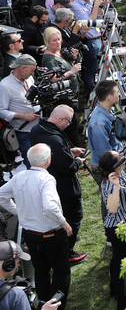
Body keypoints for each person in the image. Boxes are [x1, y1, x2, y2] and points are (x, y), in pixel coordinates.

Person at [0, 144, 79, 310]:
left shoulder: (20, 176)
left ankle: (43, 306)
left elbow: (1, 195)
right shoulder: (46, 179)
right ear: (48, 160)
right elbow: (50, 207)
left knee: (41, 271)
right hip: (51, 235)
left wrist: (19, 212)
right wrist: (65, 223)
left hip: (31, 235)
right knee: (61, 273)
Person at [29, 105, 86, 264]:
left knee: (56, 219)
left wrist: (68, 151)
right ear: (61, 119)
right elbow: (67, 167)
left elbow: (53, 154)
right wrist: (77, 162)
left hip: (46, 183)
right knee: (73, 216)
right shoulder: (54, 139)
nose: (69, 125)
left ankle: (64, 241)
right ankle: (67, 252)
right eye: (68, 121)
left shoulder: (37, 129)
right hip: (64, 188)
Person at [95, 150, 126, 310]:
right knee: (122, 263)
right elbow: (112, 208)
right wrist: (115, 187)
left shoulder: (122, 174)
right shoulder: (110, 184)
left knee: (117, 258)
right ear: (115, 165)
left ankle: (114, 289)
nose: (122, 156)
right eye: (119, 157)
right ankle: (121, 301)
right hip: (119, 228)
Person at [0, 56, 41, 167]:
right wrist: (23, 116)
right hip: (24, 133)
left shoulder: (29, 78)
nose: (33, 73)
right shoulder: (5, 85)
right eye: (32, 70)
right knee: (33, 166)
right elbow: (1, 111)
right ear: (23, 68)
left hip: (38, 127)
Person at [87, 80, 126, 166]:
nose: (119, 95)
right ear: (110, 97)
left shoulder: (107, 110)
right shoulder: (99, 124)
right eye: (117, 92)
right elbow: (105, 154)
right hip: (107, 169)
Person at [40, 28, 82, 103]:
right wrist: (71, 72)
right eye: (54, 41)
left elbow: (65, 67)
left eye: (59, 39)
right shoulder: (49, 59)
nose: (58, 42)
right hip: (64, 97)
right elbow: (53, 79)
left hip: (72, 93)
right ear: (47, 42)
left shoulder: (58, 51)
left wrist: (73, 58)